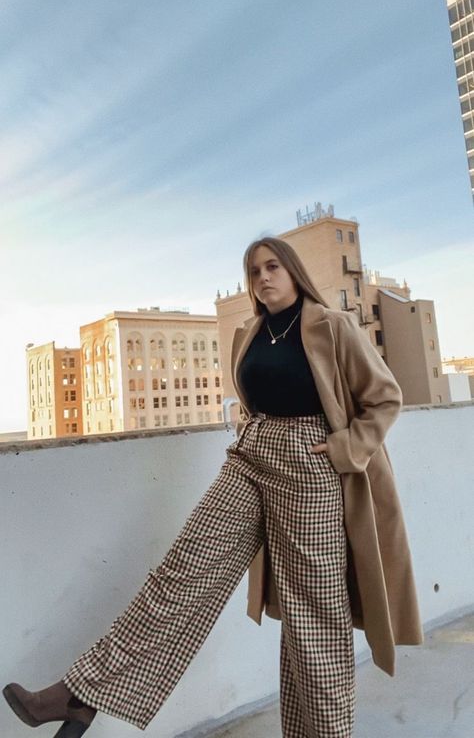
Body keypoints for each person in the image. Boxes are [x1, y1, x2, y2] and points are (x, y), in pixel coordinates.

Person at [3, 237, 423, 738]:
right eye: (253, 271)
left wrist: (342, 449)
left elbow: (384, 398)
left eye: (272, 267)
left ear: (292, 272)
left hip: (310, 467)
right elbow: (255, 398)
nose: (262, 277)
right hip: (250, 456)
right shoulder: (248, 333)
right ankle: (82, 692)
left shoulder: (333, 325)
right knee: (181, 573)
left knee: (313, 618)